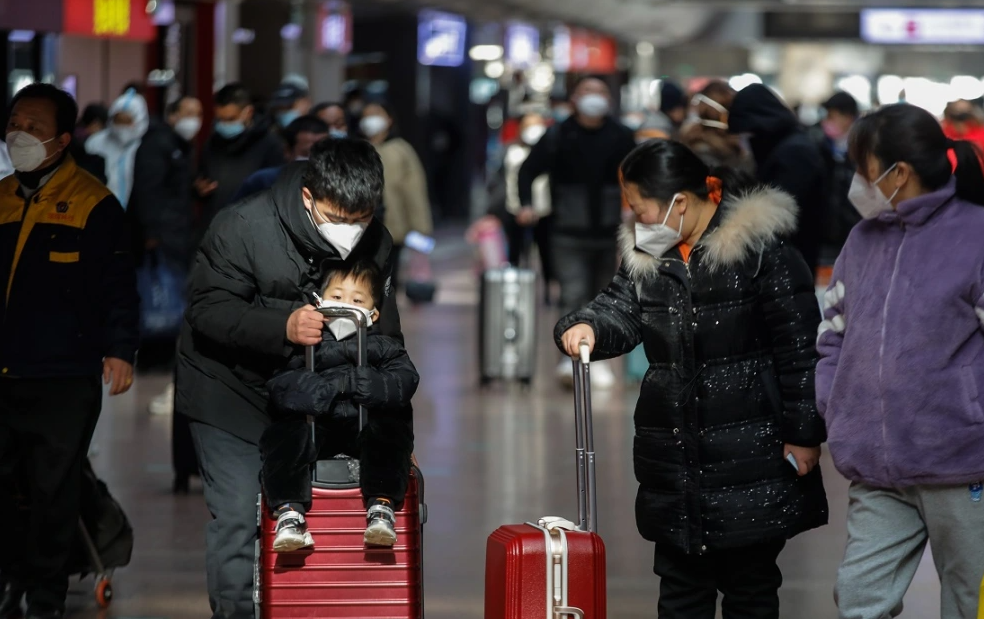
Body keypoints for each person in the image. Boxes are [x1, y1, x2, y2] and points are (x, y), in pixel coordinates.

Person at [557, 139, 828, 619]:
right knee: (681, 589)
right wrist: (586, 326)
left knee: (750, 589)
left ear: (679, 202)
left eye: (641, 209)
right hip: (675, 454)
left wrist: (803, 433)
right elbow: (620, 308)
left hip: (752, 453)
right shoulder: (652, 248)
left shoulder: (760, 250)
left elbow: (800, 348)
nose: (637, 220)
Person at [175, 137, 404, 619]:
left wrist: (393, 433)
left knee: (304, 511)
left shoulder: (376, 240)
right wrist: (283, 325)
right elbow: (207, 309)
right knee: (238, 513)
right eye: (338, 218)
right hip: (229, 390)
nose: (350, 231)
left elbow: (385, 335)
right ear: (308, 196)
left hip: (309, 395)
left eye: (360, 218)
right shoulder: (242, 226)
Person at [816, 103, 984, 619]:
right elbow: (832, 334)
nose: (856, 182)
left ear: (899, 173)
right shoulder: (862, 239)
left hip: (961, 463)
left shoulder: (975, 236)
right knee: (860, 597)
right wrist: (836, 406)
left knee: (969, 600)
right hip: (875, 464)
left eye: (862, 169)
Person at [0, 83, 139, 619]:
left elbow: (118, 286)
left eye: (34, 127)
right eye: (15, 122)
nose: (20, 134)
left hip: (62, 374)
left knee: (53, 488)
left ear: (61, 140)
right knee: (6, 485)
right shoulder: (2, 197)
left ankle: (46, 594)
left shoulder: (94, 203)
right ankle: (13, 575)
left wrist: (121, 349)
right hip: (5, 372)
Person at [261, 259, 417, 551]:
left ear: (372, 314)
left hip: (364, 425)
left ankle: (381, 507)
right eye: (336, 296)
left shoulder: (383, 347)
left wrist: (370, 385)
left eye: (356, 300)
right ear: (319, 301)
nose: (345, 305)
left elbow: (405, 380)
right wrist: (319, 390)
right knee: (285, 435)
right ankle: (289, 511)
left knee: (389, 430)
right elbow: (280, 385)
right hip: (319, 425)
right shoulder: (307, 345)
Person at [518, 76, 636, 388]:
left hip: (609, 230)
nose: (593, 98)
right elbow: (528, 169)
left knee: (603, 295)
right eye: (586, 92)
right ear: (574, 99)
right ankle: (569, 354)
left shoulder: (622, 136)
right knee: (571, 291)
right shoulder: (558, 135)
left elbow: (637, 174)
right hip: (566, 229)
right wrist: (527, 204)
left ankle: (595, 356)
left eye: (599, 91)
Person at [727, 84, 827, 277]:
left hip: (791, 262)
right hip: (787, 259)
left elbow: (779, 212)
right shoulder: (783, 146)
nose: (744, 139)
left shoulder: (794, 153)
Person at [472, 112, 555, 293]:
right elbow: (496, 182)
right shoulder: (509, 150)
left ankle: (549, 288)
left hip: (544, 209)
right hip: (513, 208)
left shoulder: (550, 150)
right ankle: (514, 288)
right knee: (515, 251)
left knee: (546, 252)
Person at [360, 102, 433, 293]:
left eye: (376, 113)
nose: (370, 119)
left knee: (389, 280)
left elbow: (414, 190)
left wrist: (420, 226)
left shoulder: (401, 150)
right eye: (366, 114)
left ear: (389, 119)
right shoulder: (357, 149)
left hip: (395, 228)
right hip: (360, 227)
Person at [196, 82, 285, 235]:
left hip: (253, 229)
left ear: (248, 112)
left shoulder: (270, 144)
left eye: (230, 119)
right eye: (220, 119)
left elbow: (277, 190)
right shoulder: (212, 143)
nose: (224, 124)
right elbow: (202, 176)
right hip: (216, 226)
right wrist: (199, 187)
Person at [233, 114, 329, 201]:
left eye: (322, 152)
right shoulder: (264, 181)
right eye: (306, 153)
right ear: (287, 151)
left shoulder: (336, 183)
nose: (316, 159)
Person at [811, 91, 860, 258]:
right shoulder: (819, 146)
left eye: (832, 116)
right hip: (824, 235)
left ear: (848, 117)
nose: (827, 122)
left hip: (853, 233)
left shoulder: (863, 149)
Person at [84, 88, 149, 209]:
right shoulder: (96, 142)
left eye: (128, 121)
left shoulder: (146, 147)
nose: (123, 127)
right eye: (118, 120)